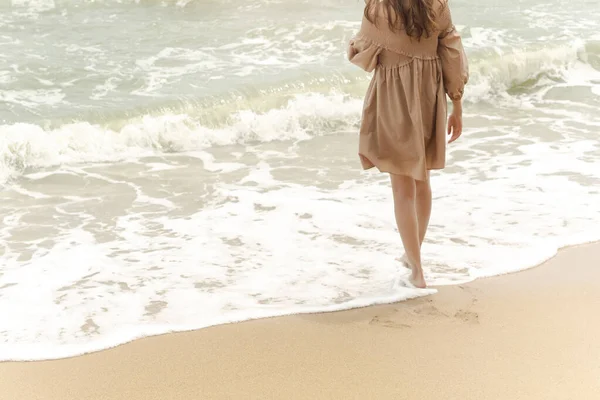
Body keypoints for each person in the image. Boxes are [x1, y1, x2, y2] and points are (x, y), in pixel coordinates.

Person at [348, 0, 468, 288]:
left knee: (402, 188)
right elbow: (451, 52)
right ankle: (413, 255)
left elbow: (360, 55)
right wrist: (457, 105)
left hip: (394, 98)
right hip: (429, 97)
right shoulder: (436, 6)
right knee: (421, 180)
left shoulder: (378, 9)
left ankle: (417, 270)